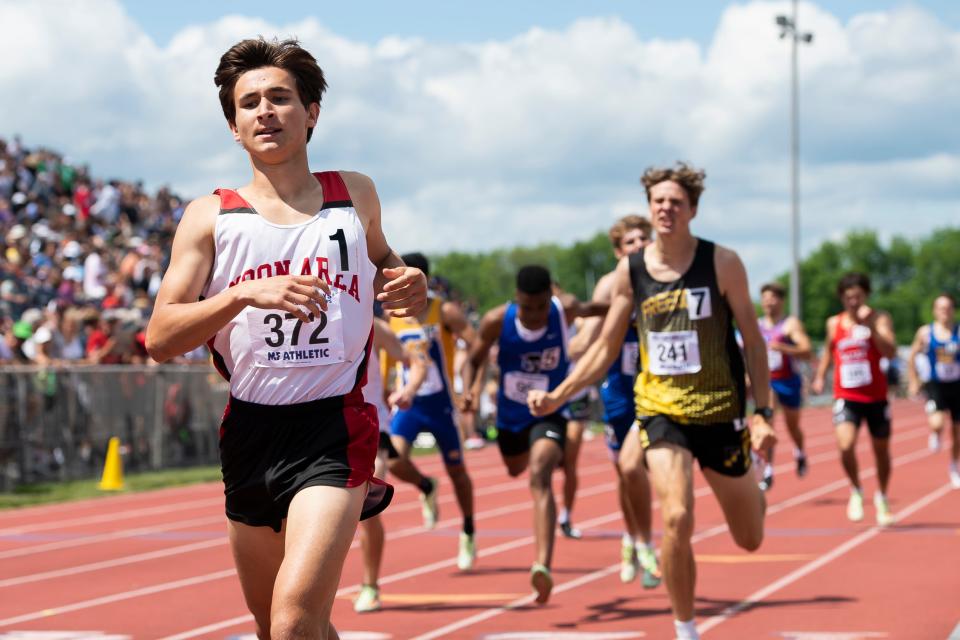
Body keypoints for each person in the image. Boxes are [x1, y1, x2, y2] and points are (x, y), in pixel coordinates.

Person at [144, 38, 427, 640]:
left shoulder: (355, 194)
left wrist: (411, 284)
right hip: (250, 430)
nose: (265, 111)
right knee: (276, 627)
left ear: (312, 113)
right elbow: (160, 338)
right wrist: (242, 295)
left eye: (280, 97)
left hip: (335, 425)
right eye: (250, 103)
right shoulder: (209, 217)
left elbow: (385, 264)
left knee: (295, 615)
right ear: (233, 126)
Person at [528, 163, 775, 640]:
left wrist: (762, 413)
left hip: (721, 413)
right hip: (661, 411)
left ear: (693, 210)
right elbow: (603, 347)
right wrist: (559, 394)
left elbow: (754, 340)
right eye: (658, 201)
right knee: (677, 514)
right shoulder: (632, 271)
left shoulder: (722, 263)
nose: (666, 208)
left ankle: (754, 487)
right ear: (649, 208)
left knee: (750, 538)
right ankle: (686, 628)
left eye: (676, 202)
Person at [462, 265, 606, 604]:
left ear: (550, 299)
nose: (536, 315)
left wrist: (630, 307)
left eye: (542, 306)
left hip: (551, 410)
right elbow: (474, 357)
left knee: (540, 473)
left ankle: (542, 564)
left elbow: (600, 309)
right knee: (516, 468)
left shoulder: (563, 311)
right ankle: (539, 452)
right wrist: (470, 389)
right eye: (528, 308)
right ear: (517, 300)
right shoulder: (497, 320)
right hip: (512, 418)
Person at [566, 213, 661, 587]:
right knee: (626, 471)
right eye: (631, 242)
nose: (639, 246)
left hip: (658, 388)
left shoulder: (663, 277)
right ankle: (633, 537)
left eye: (644, 239)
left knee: (656, 468)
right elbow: (582, 342)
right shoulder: (609, 285)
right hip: (620, 390)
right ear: (618, 250)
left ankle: (647, 541)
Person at [387, 251, 478, 571]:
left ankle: (468, 529)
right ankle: (426, 486)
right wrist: (387, 391)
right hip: (410, 403)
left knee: (457, 471)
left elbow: (475, 344)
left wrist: (469, 388)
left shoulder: (445, 311)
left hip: (441, 404)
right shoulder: (393, 315)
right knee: (394, 459)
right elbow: (387, 357)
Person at [354, 315, 427, 613]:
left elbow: (417, 362)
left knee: (366, 508)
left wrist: (407, 391)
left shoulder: (372, 325)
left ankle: (370, 585)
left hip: (371, 426)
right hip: (322, 426)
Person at [812, 272, 897, 526]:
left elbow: (890, 351)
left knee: (881, 451)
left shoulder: (879, 318)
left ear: (866, 296)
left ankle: (881, 495)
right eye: (849, 297)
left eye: (858, 297)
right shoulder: (834, 323)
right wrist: (819, 376)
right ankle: (857, 489)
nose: (853, 302)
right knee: (845, 445)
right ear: (842, 298)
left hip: (875, 397)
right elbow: (829, 350)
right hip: (846, 395)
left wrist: (871, 330)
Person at [755, 282, 812, 490]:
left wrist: (784, 348)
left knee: (792, 426)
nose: (768, 302)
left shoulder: (790, 325)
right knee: (768, 422)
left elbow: (807, 350)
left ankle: (800, 451)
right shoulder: (756, 325)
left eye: (772, 298)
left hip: (789, 381)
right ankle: (768, 469)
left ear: (781, 300)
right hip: (767, 382)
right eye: (765, 298)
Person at [906, 293, 960, 488]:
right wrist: (913, 380)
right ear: (935, 311)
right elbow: (912, 357)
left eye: (948, 308)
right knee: (937, 423)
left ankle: (954, 466)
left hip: (957, 385)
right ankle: (935, 432)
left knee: (957, 433)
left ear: (953, 310)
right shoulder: (925, 333)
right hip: (936, 384)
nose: (945, 311)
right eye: (941, 308)